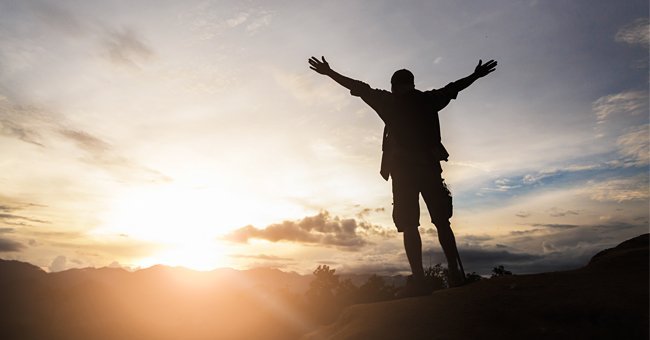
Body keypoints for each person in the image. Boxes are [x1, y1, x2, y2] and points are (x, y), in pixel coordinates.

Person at [308, 56, 497, 297]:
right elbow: (453, 88)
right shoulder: (428, 99)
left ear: (393, 86)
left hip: (403, 174)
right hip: (429, 169)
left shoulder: (388, 101)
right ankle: (455, 273)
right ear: (412, 83)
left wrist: (330, 72)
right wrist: (475, 75)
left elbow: (358, 86)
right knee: (442, 222)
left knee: (409, 225)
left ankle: (419, 281)